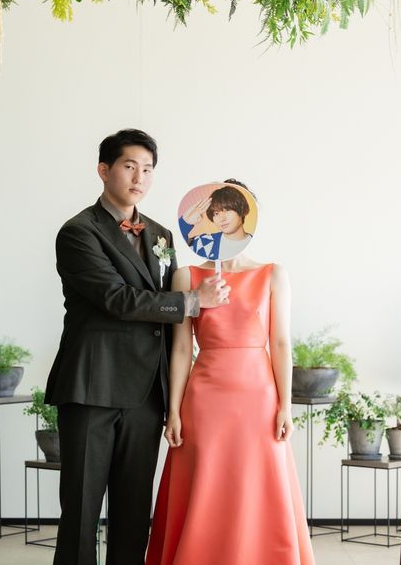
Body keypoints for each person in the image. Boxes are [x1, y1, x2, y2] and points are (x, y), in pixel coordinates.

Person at [44, 129, 230, 565]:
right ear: (103, 170)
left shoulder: (161, 234)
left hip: (147, 393)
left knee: (133, 513)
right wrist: (191, 301)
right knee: (81, 512)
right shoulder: (78, 232)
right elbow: (117, 299)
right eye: (129, 166)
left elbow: (170, 314)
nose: (139, 177)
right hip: (93, 388)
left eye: (147, 169)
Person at [146, 183, 316, 565]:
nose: (221, 216)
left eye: (228, 208)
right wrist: (173, 411)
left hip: (258, 397)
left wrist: (285, 406)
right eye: (215, 211)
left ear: (246, 214)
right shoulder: (187, 276)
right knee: (206, 483)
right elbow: (180, 349)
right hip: (204, 399)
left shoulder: (273, 273)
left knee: (258, 483)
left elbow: (281, 343)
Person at [178, 182, 253, 261]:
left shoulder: (257, 244)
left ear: (242, 209)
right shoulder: (203, 242)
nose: (222, 219)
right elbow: (173, 253)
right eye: (216, 213)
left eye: (227, 210)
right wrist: (185, 223)